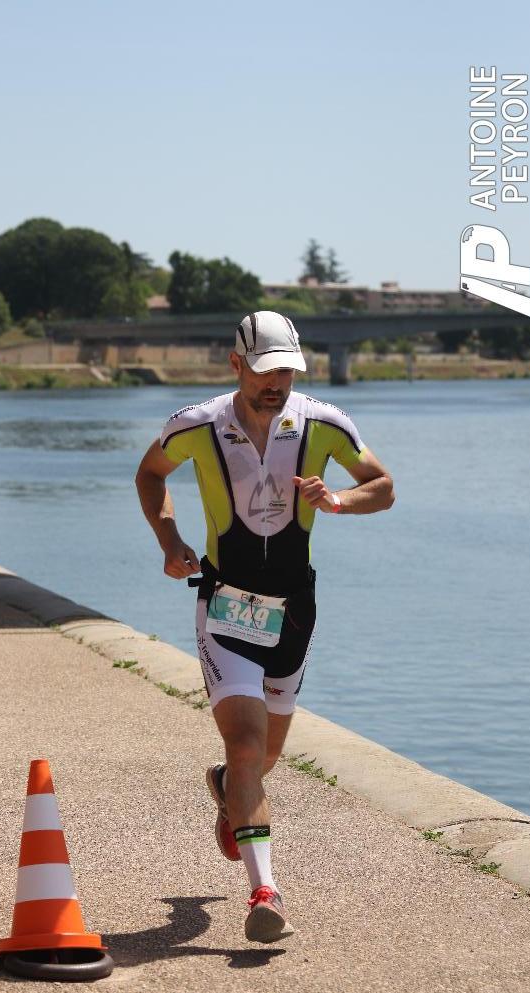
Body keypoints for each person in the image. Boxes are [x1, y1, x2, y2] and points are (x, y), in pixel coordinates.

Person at [135, 311, 394, 943]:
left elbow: (383, 486)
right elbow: (150, 474)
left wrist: (338, 500)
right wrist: (169, 540)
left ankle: (230, 789)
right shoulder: (195, 425)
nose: (276, 383)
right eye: (264, 371)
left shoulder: (324, 422)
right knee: (247, 745)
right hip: (224, 605)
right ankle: (265, 892)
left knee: (267, 756)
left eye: (287, 372)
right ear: (236, 365)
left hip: (293, 610)